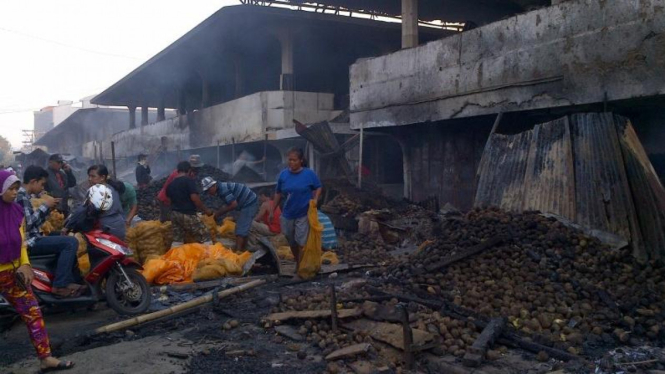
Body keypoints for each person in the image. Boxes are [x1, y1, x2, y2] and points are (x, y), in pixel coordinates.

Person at [0, 170, 75, 372]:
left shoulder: (16, 212)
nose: (15, 193)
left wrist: (25, 265)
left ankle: (46, 358)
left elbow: (22, 243)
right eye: (11, 189)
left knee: (33, 313)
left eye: (17, 188)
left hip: (13, 274)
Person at [16, 166, 84, 298]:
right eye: (41, 184)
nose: (42, 188)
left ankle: (68, 279)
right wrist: (45, 206)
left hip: (34, 236)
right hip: (30, 241)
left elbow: (33, 222)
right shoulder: (21, 196)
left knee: (62, 235)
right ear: (33, 181)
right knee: (71, 242)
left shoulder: (24, 195)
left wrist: (48, 208)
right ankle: (60, 285)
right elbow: (27, 225)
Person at [270, 148, 322, 277]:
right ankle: (298, 261)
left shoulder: (309, 174)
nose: (291, 162)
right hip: (288, 213)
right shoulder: (283, 175)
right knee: (291, 240)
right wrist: (272, 210)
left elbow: (318, 187)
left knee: (301, 242)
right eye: (289, 160)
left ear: (301, 161)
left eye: (294, 160)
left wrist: (315, 199)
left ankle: (301, 267)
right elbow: (278, 193)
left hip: (303, 213)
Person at [201, 177, 258, 252]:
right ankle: (245, 247)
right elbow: (228, 203)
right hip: (245, 202)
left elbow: (233, 204)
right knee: (243, 225)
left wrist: (218, 213)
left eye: (209, 190)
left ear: (213, 185)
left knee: (241, 227)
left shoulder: (223, 189)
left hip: (249, 202)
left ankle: (238, 252)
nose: (209, 193)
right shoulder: (220, 189)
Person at [166, 161, 212, 247]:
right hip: (187, 214)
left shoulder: (170, 184)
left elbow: (169, 201)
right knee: (204, 235)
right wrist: (206, 210)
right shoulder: (188, 181)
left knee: (178, 239)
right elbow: (194, 198)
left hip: (174, 214)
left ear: (178, 170)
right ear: (189, 170)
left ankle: (175, 258)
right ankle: (209, 259)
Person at [157, 154, 203, 222]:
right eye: (194, 168)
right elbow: (178, 193)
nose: (196, 170)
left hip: (174, 202)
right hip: (166, 199)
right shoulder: (179, 175)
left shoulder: (189, 175)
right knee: (167, 223)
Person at [87, 165, 127, 241]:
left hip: (110, 227)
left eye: (93, 176)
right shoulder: (109, 187)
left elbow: (91, 210)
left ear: (102, 177)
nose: (89, 179)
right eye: (89, 176)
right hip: (118, 223)